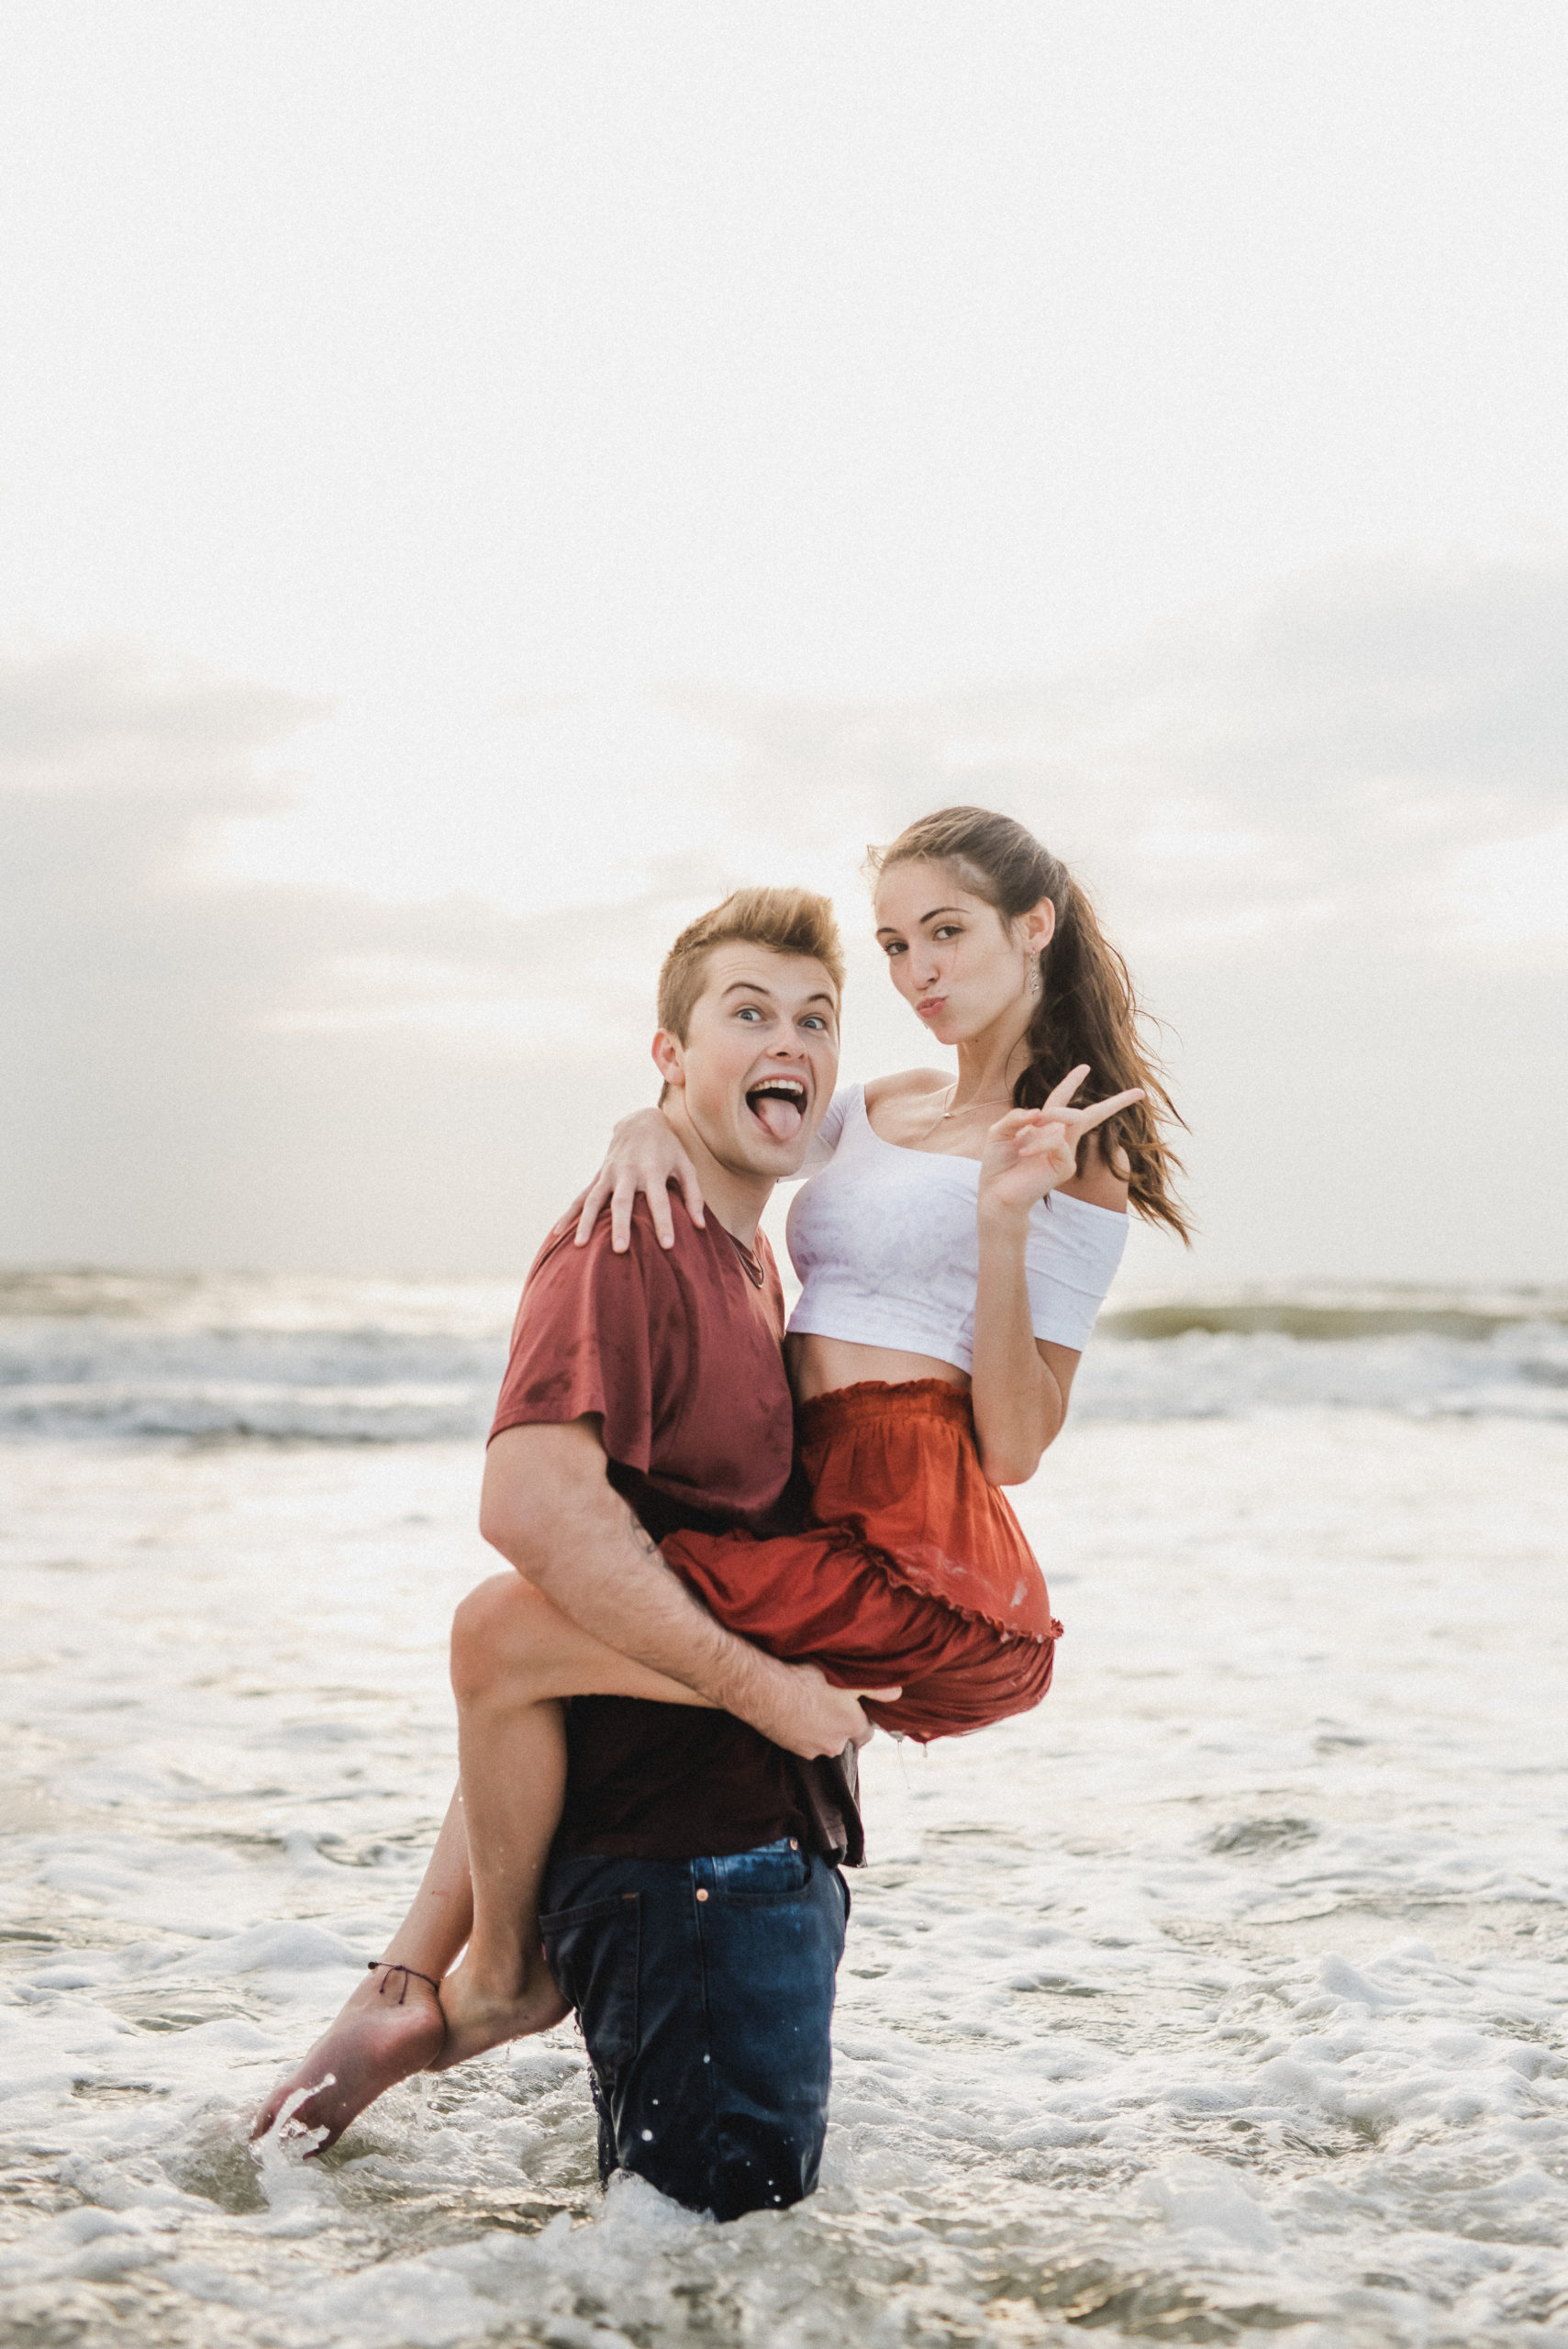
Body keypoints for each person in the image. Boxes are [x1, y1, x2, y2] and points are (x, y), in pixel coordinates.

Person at [258, 807, 1189, 2218]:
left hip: (924, 1533)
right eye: (894, 943)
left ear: (1032, 927)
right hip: (816, 1515)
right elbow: (717, 1093)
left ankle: (474, 1975)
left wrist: (1008, 1219)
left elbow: (1014, 1444)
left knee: (513, 1630)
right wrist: (635, 1124)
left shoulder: (1077, 1157)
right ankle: (414, 1982)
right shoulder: (867, 1105)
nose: (916, 970)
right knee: (543, 1638)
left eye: (943, 931)